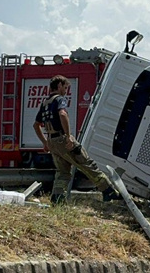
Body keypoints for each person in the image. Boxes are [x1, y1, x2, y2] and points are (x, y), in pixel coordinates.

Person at [33, 75, 116, 204]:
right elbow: (62, 114)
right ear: (59, 85)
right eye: (65, 88)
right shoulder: (59, 99)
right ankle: (108, 191)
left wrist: (45, 142)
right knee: (87, 164)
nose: (66, 91)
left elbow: (36, 124)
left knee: (62, 171)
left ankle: (57, 197)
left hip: (52, 141)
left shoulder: (45, 103)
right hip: (62, 139)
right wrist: (68, 136)